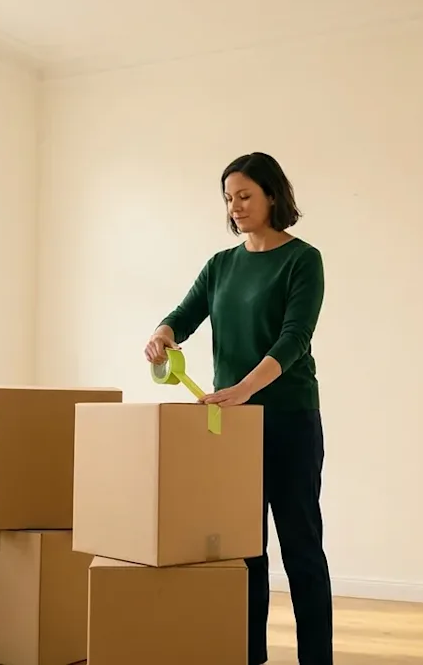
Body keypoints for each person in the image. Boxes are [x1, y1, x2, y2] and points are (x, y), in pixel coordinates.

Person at [143, 151, 334, 665]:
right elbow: (185, 314)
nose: (236, 206)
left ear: (273, 195)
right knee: (246, 552)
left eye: (245, 195)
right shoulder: (221, 265)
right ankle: (250, 656)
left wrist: (246, 387)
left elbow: (295, 339)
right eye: (229, 198)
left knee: (301, 550)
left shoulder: (302, 260)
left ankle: (317, 659)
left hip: (290, 420)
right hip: (232, 426)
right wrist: (163, 333)